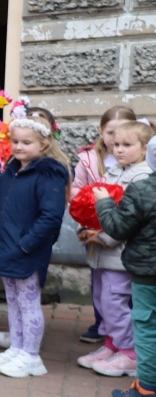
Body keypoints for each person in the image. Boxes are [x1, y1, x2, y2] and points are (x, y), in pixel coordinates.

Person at [0, 112, 71, 378]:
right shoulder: (13, 170)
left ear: (43, 144)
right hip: (8, 247)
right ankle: (17, 348)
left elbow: (51, 217)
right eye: (15, 141)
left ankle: (31, 356)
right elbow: (4, 207)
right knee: (14, 302)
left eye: (26, 142)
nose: (18, 147)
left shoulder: (50, 174)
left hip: (27, 250)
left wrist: (26, 245)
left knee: (28, 303)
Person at [76, 120, 153, 377]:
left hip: (119, 254)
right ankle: (112, 345)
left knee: (115, 302)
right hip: (102, 252)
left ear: (144, 149)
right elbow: (96, 209)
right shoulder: (114, 171)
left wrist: (104, 237)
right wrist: (87, 229)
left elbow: (129, 221)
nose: (119, 150)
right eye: (116, 144)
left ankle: (130, 353)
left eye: (127, 145)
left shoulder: (141, 177)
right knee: (101, 301)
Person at [94, 136, 156, 397]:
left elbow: (118, 228)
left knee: (147, 327)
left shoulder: (143, 189)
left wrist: (105, 203)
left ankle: (147, 389)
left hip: (148, 271)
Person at [74, 106, 137, 345]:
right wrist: (85, 225)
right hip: (93, 232)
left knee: (119, 290)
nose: (116, 140)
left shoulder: (137, 166)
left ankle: (125, 343)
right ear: (101, 131)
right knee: (100, 284)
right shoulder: (88, 159)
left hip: (120, 237)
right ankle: (104, 327)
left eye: (123, 134)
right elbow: (78, 192)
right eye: (111, 133)